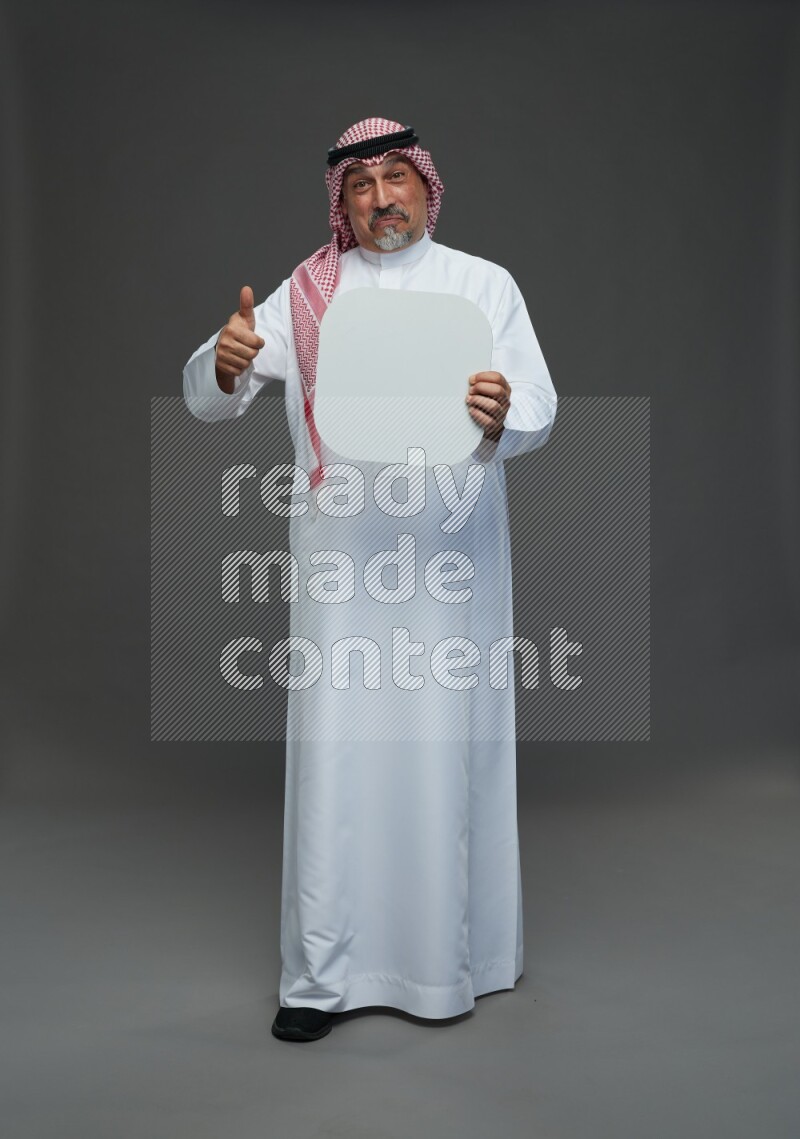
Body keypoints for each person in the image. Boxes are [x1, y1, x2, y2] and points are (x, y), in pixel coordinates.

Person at [183, 117, 558, 1043]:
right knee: (338, 757)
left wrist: (504, 410)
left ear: (427, 186)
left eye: (398, 178)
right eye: (362, 184)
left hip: (448, 561)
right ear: (341, 201)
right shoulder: (310, 293)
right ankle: (320, 976)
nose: (383, 197)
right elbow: (212, 387)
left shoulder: (483, 285)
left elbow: (541, 405)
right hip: (343, 563)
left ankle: (448, 965)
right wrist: (224, 362)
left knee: (444, 750)